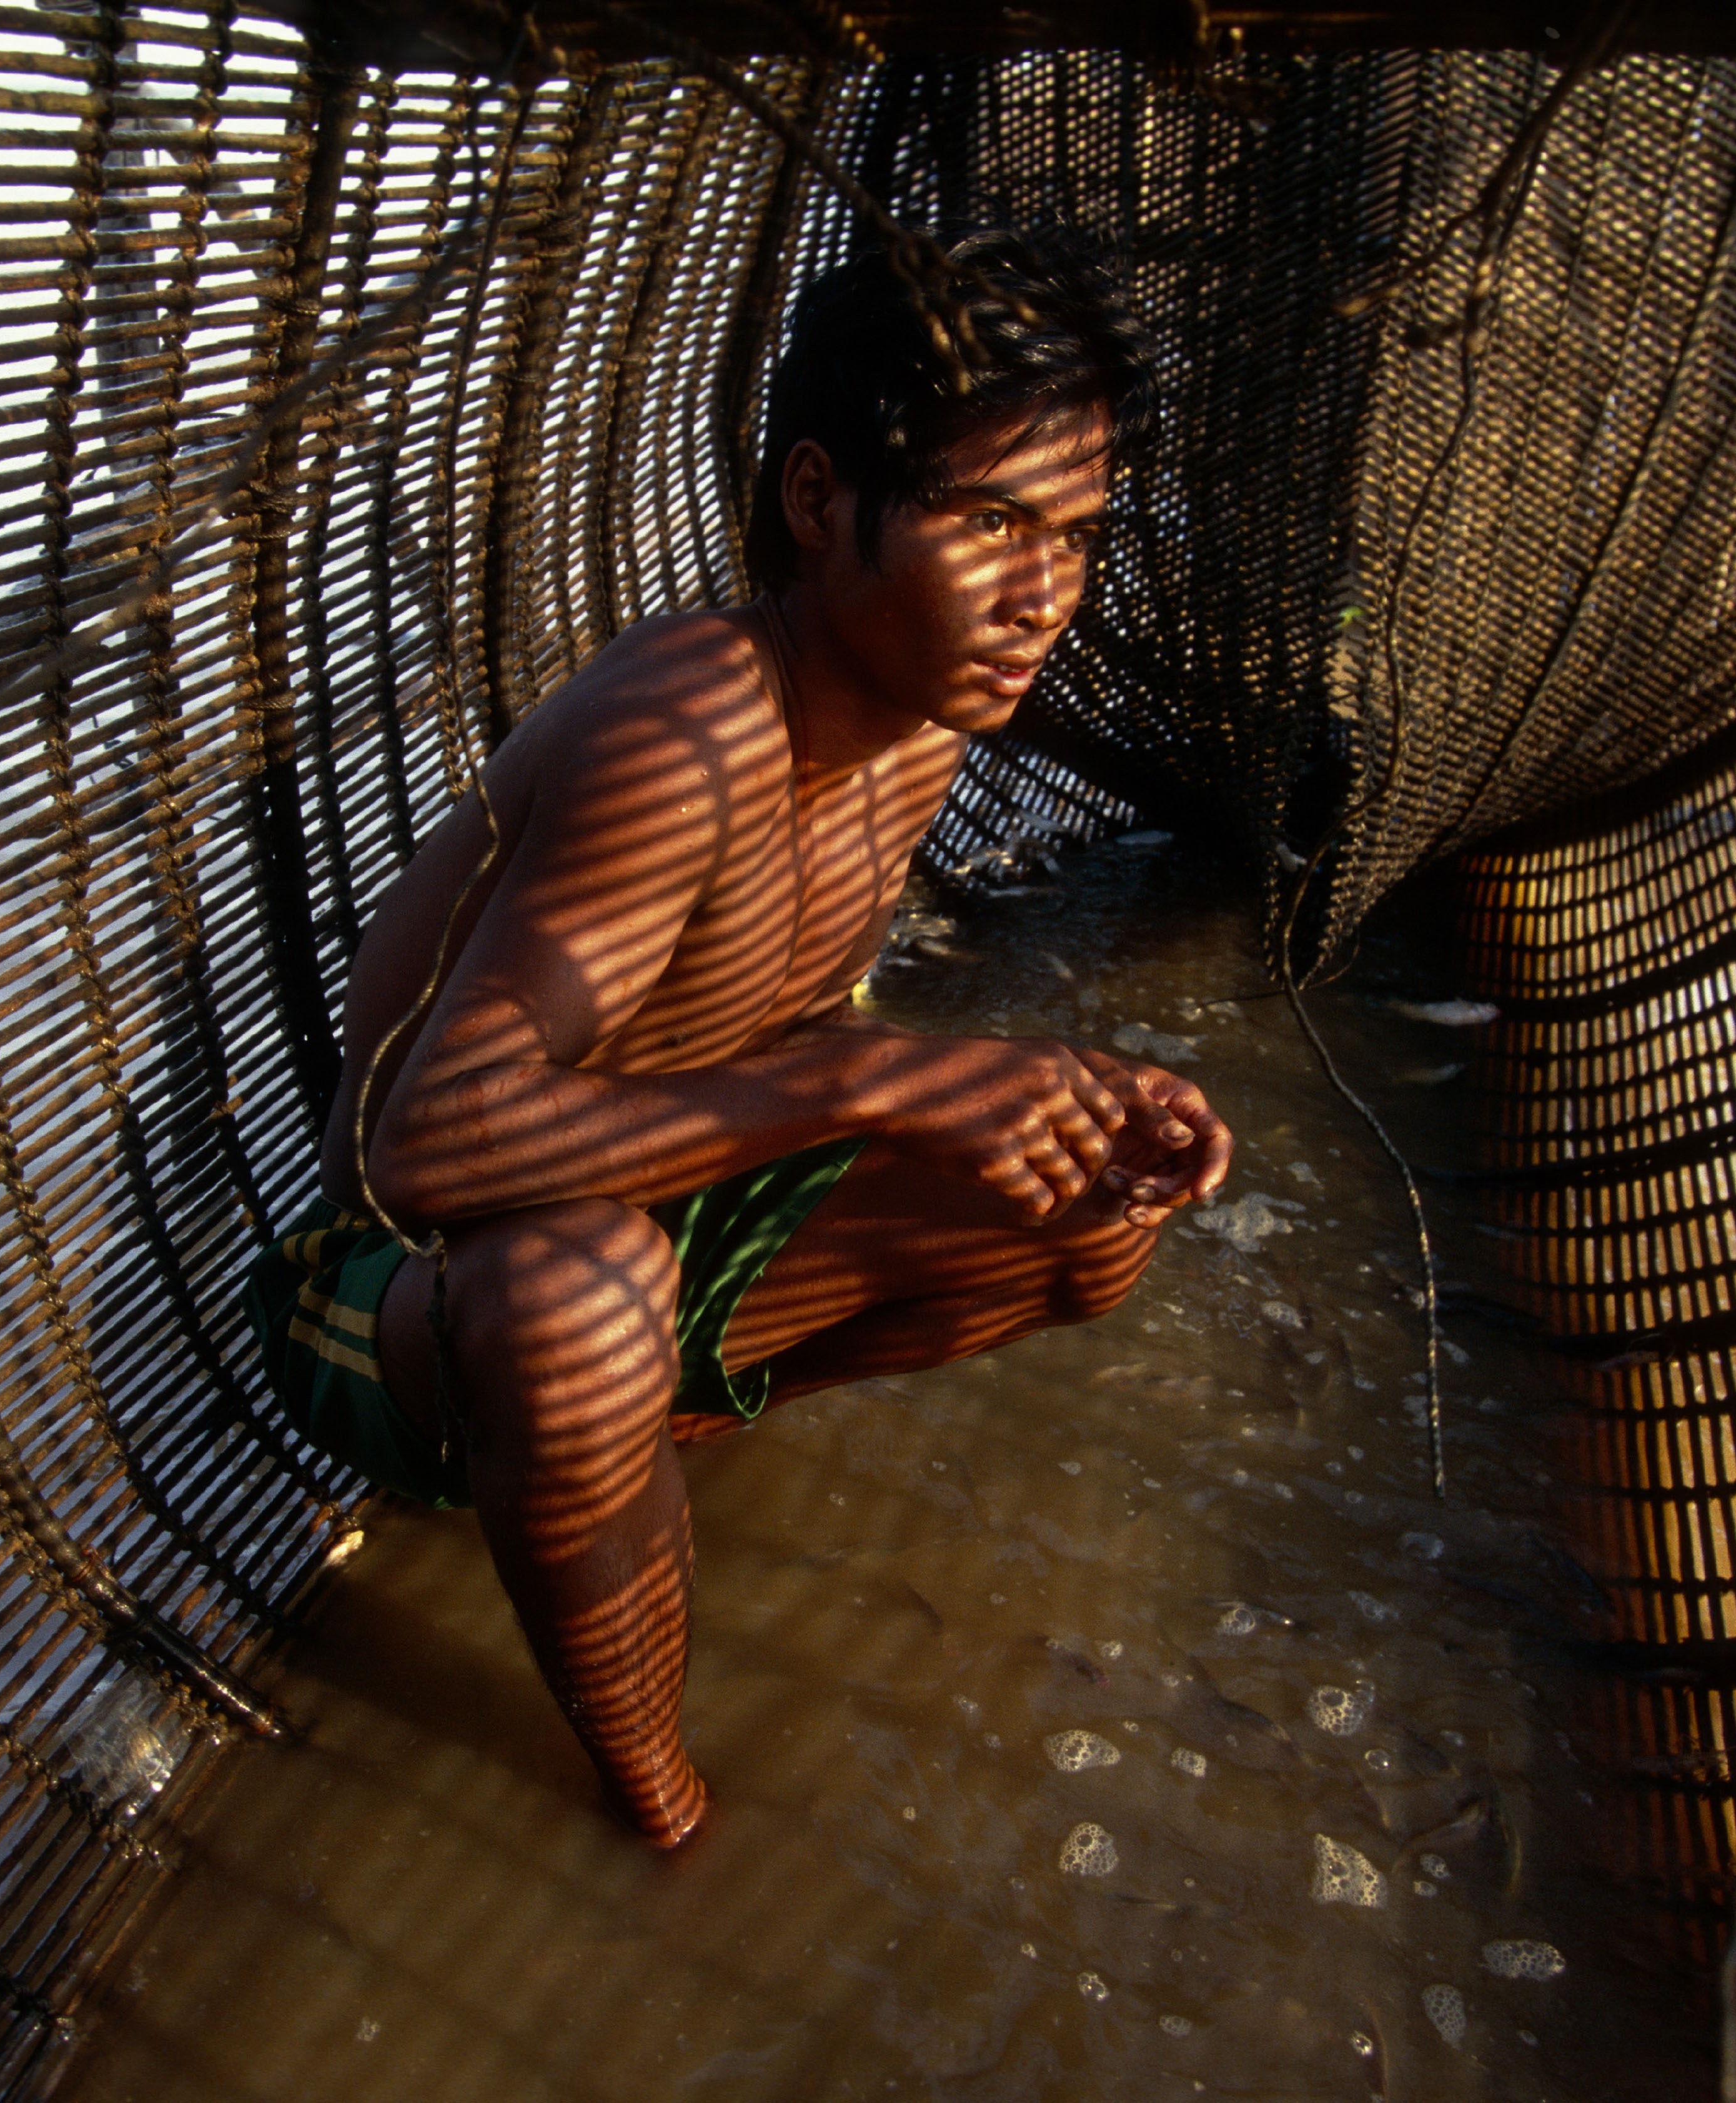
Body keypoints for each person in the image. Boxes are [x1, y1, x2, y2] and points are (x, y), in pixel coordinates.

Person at [247, 228, 1232, 1847]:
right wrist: (875, 1078)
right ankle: (659, 1811)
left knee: (1090, 1213)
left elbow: (773, 1018)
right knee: (581, 1307)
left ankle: (640, 1441)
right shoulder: (687, 726)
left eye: (1073, 535)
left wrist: (1074, 1098)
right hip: (405, 1285)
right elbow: (420, 1150)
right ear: (819, 501)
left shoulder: (915, 730)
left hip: (654, 1209)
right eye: (990, 522)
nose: (1042, 595)